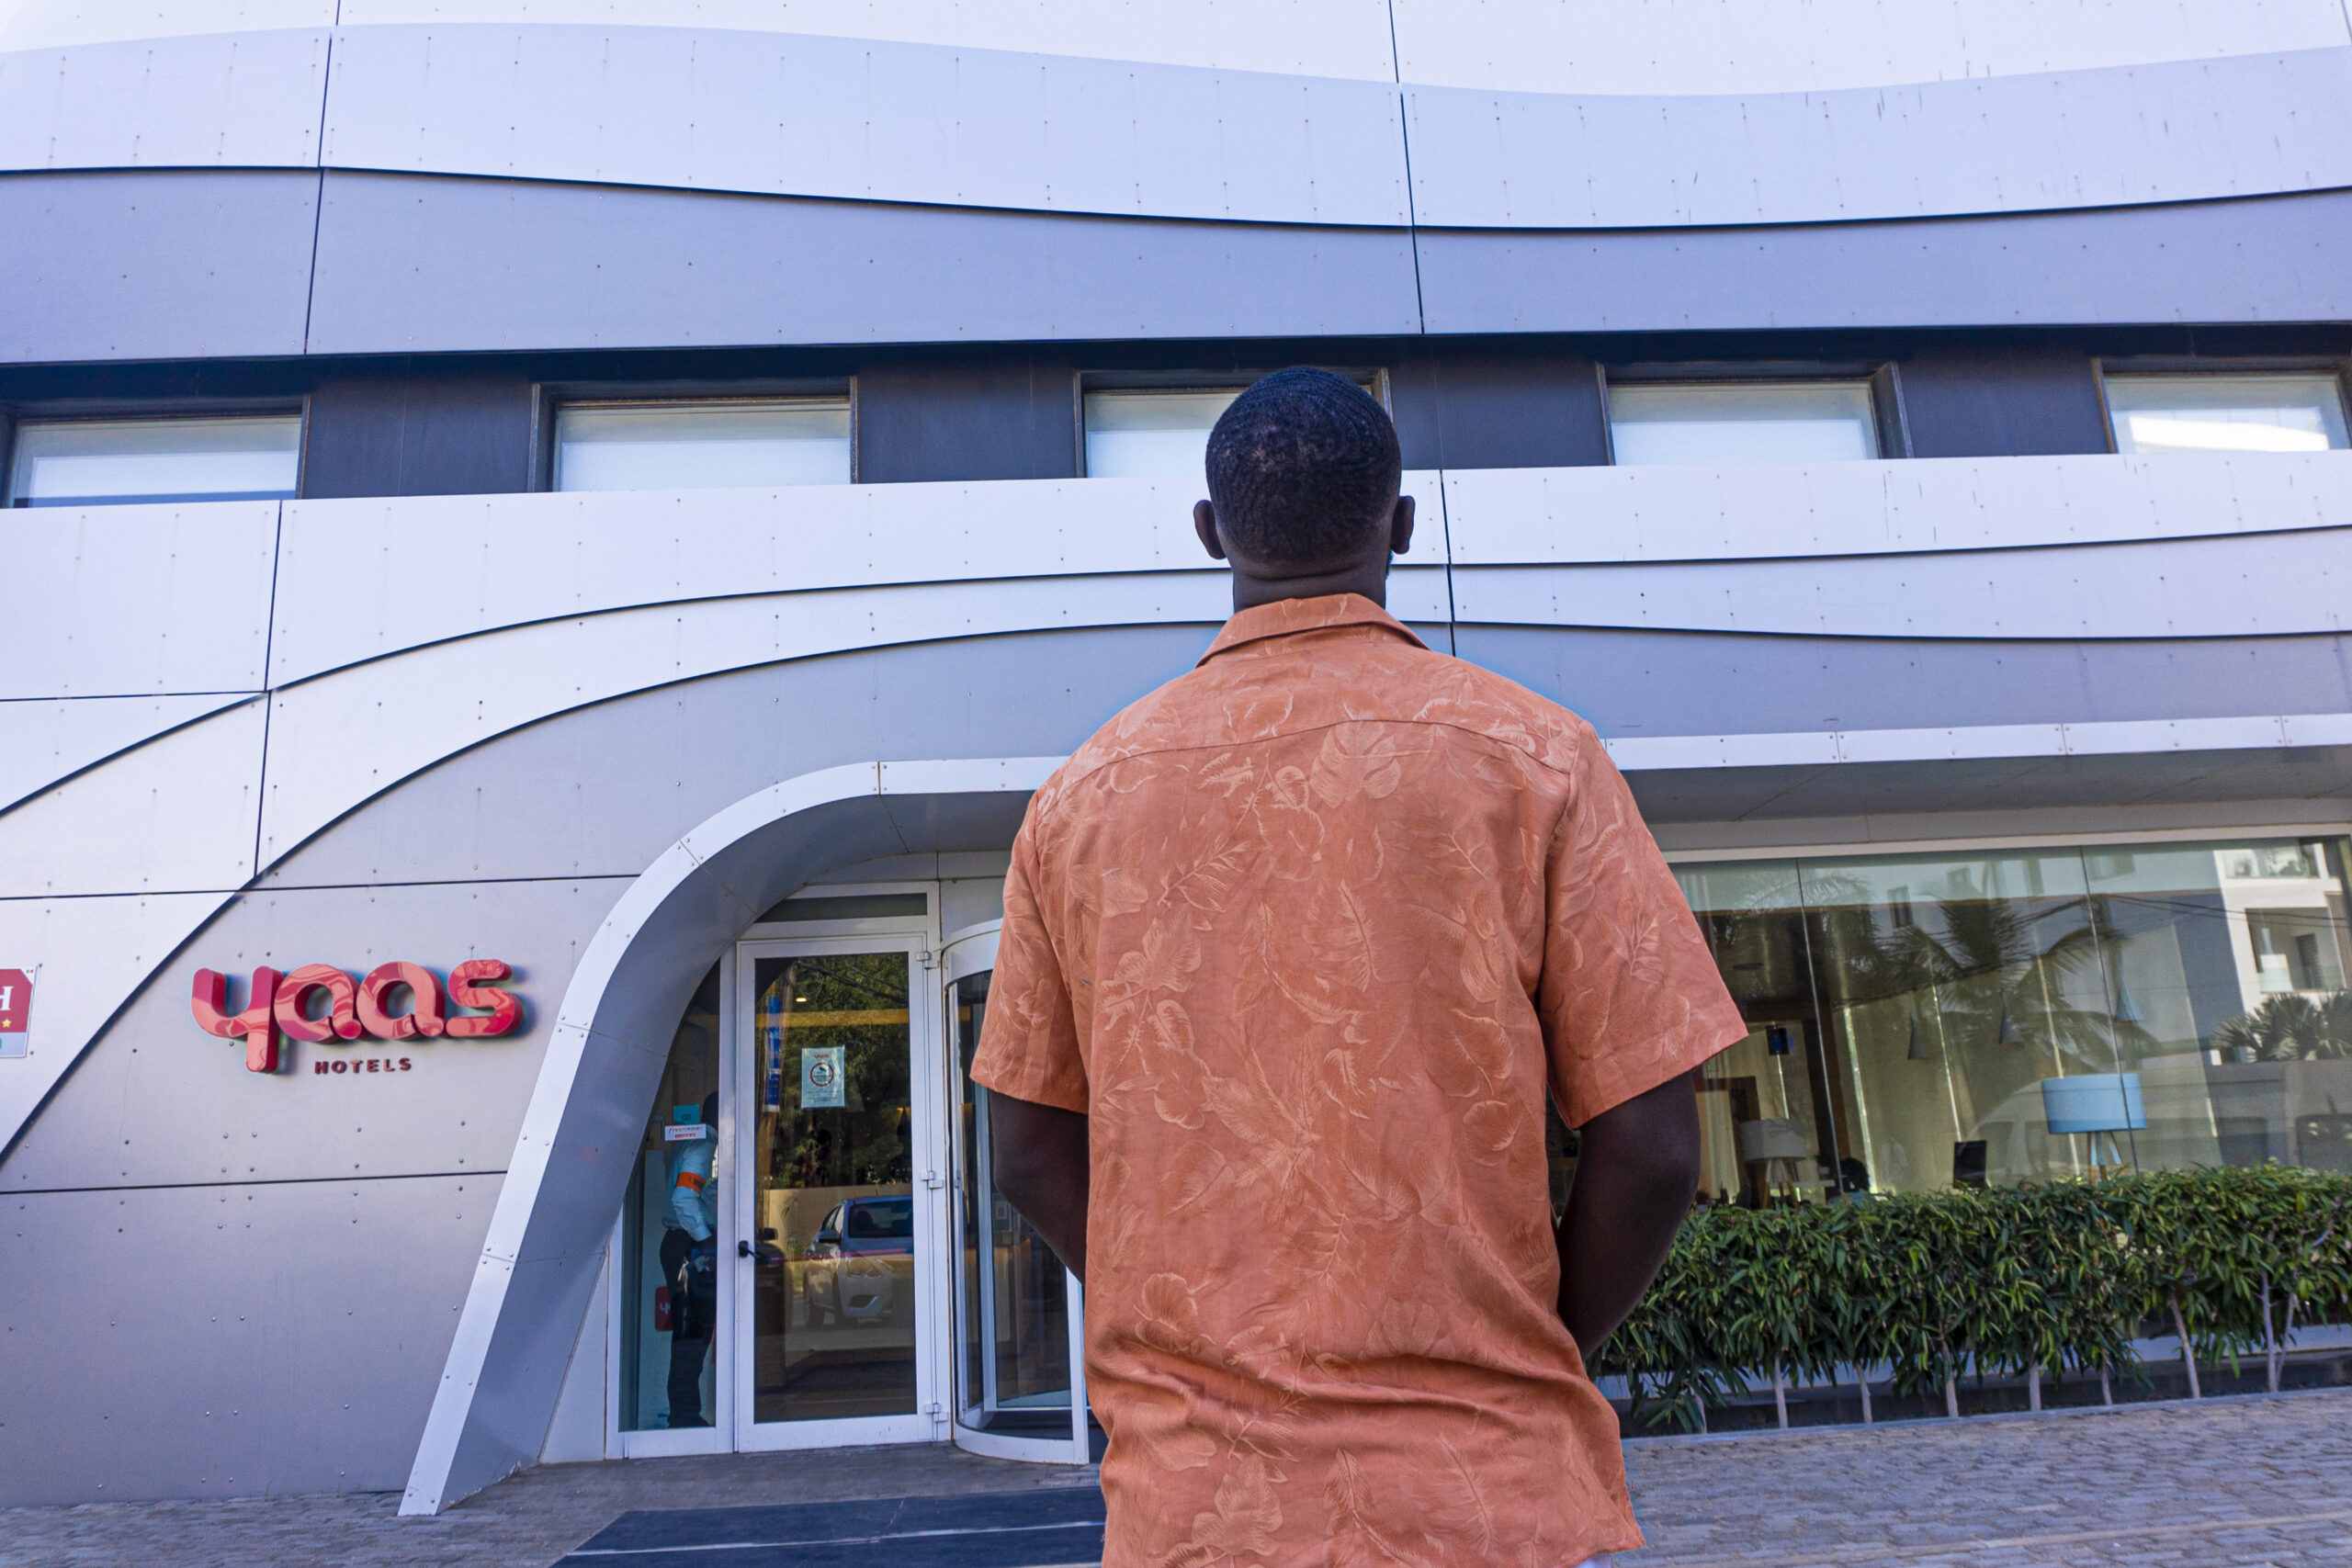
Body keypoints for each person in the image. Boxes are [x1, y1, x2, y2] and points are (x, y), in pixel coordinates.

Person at [973, 367, 1747, 1568]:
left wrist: (1174, 1320)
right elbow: (1651, 1144)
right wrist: (1534, 1342)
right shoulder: (1537, 754)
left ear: (1211, 533)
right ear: (1400, 524)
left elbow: (1024, 1147)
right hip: (1480, 1487)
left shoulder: (1080, 798)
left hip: (1195, 1501)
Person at [660, 1090, 718, 1427]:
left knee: (690, 1331)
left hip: (681, 1244)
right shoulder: (703, 1147)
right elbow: (684, 1199)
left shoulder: (684, 1146)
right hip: (690, 1247)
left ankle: (685, 1413)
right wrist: (706, 1240)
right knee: (693, 1333)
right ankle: (683, 1417)